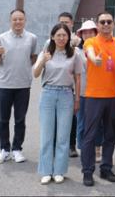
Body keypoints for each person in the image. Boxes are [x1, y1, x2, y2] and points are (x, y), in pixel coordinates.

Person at [80, 12, 115, 186]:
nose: (106, 24)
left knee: (110, 135)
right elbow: (90, 53)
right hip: (94, 96)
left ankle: (106, 168)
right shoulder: (91, 42)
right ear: (97, 25)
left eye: (109, 21)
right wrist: (94, 59)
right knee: (90, 135)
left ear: (113, 24)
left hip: (113, 96)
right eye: (102, 22)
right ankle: (87, 171)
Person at [33, 23, 82, 185]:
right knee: (47, 135)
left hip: (66, 94)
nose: (61, 38)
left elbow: (78, 78)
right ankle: (46, 171)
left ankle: (59, 170)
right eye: (58, 35)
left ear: (68, 37)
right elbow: (35, 73)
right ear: (52, 37)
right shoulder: (46, 53)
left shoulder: (74, 54)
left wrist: (77, 99)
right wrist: (43, 61)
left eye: (64, 35)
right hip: (48, 93)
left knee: (63, 136)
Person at [0, 9, 39, 164]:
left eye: (21, 19)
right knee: (3, 120)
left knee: (20, 119)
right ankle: (4, 150)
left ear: (25, 20)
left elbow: (33, 58)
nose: (18, 22)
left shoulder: (32, 38)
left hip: (23, 84)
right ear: (10, 21)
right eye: (15, 19)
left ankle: (17, 149)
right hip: (5, 84)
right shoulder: (1, 38)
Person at [45, 12, 81, 158]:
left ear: (72, 24)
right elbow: (43, 63)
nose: (64, 24)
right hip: (52, 88)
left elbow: (78, 72)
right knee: (53, 119)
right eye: (61, 22)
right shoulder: (50, 43)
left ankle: (71, 145)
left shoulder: (77, 41)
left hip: (69, 88)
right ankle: (54, 145)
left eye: (66, 22)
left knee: (71, 119)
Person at [74, 20, 101, 161]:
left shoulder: (101, 48)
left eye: (91, 32)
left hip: (98, 92)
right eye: (85, 32)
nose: (88, 34)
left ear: (96, 33)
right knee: (82, 123)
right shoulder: (76, 51)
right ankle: (84, 149)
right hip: (82, 92)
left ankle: (97, 149)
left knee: (98, 123)